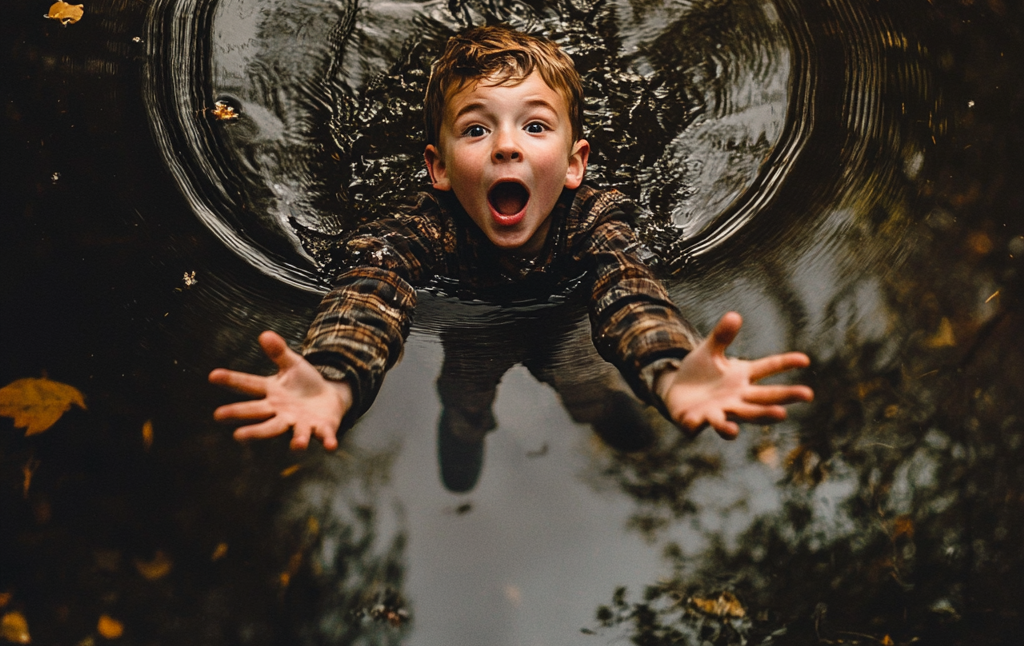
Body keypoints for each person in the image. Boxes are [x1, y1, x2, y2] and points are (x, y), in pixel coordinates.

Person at [209, 26, 813, 456]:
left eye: (534, 125)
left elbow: (628, 290)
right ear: (439, 167)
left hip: (564, 323)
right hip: (471, 331)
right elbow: (371, 288)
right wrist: (338, 376)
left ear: (574, 164)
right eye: (476, 128)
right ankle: (467, 426)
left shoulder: (594, 218)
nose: (506, 146)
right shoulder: (420, 226)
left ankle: (597, 409)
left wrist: (668, 367)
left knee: (581, 380)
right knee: (466, 391)